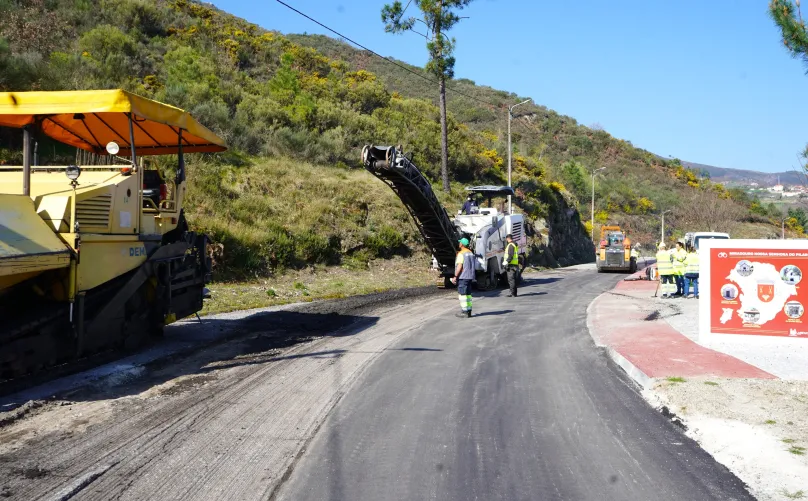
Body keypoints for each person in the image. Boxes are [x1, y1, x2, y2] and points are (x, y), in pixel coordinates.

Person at [451, 237, 476, 318]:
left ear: (462, 244)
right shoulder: (471, 253)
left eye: (460, 242)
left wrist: (455, 276)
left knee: (462, 295)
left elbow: (459, 266)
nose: (459, 243)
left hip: (463, 276)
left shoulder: (461, 254)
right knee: (468, 294)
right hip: (470, 276)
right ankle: (469, 311)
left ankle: (464, 312)